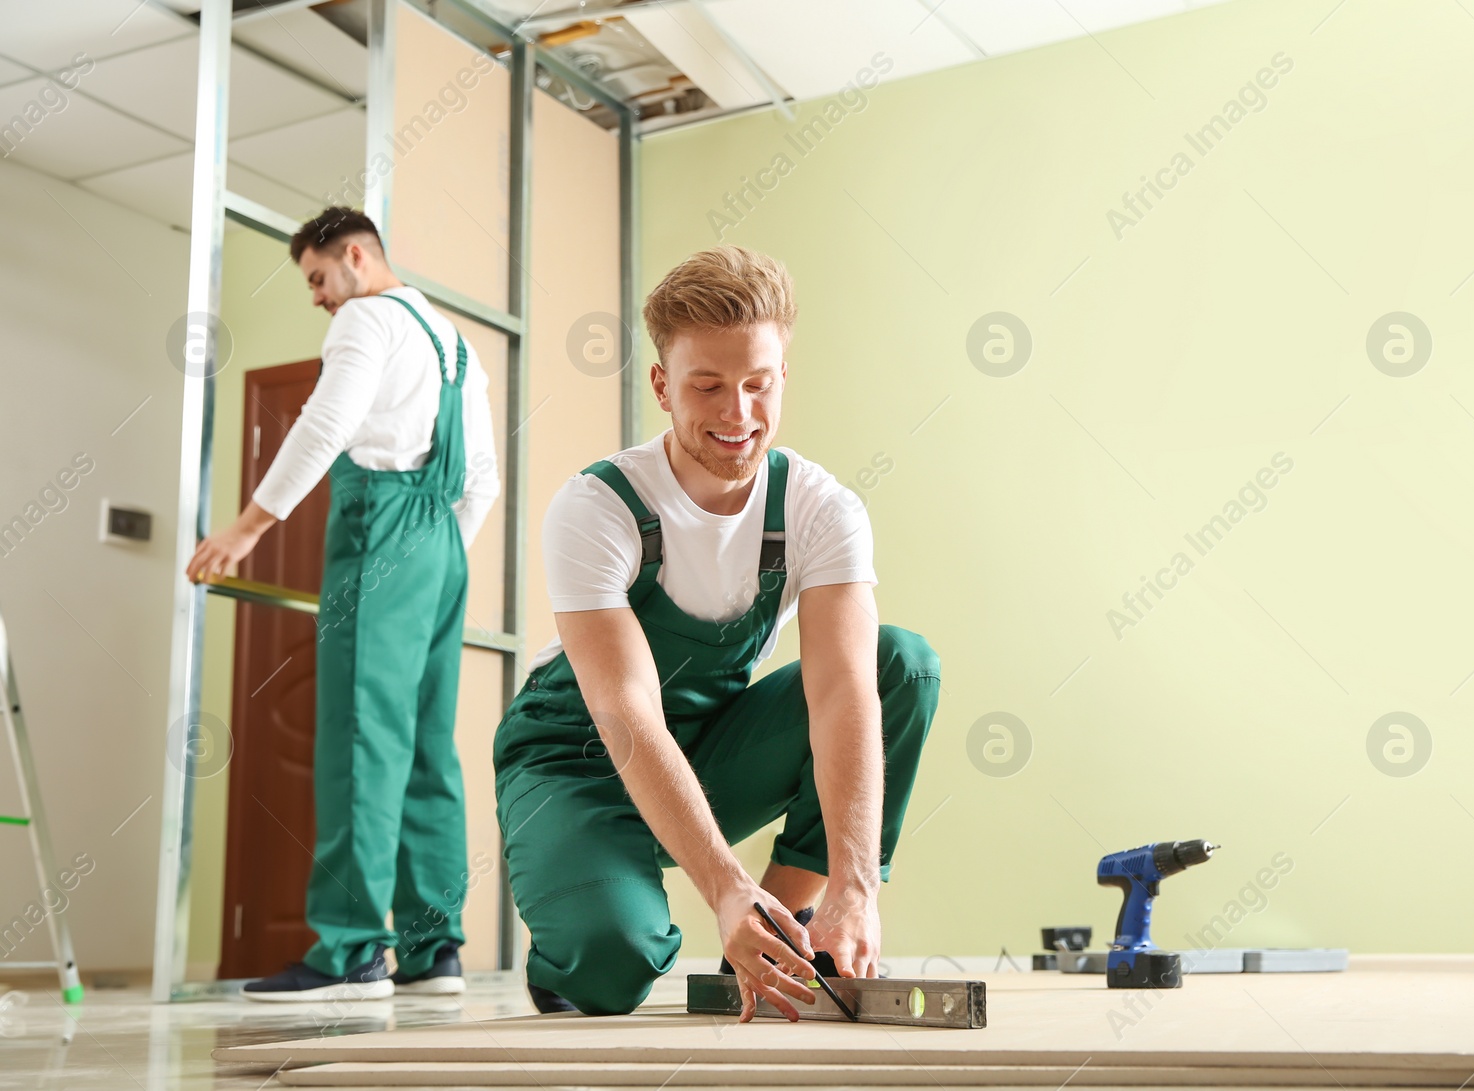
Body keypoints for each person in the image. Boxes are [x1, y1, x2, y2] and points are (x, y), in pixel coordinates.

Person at [493, 245, 940, 1020]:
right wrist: (723, 886)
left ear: (781, 379)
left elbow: (844, 691)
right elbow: (626, 713)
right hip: (579, 760)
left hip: (703, 749)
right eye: (707, 385)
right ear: (663, 386)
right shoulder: (597, 508)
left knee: (901, 662)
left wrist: (854, 884)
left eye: (758, 385)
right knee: (611, 965)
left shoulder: (820, 509)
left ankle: (788, 926)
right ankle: (579, 936)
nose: (738, 414)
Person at [186, 207, 501, 1001]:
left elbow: (328, 421)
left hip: (382, 529)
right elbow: (483, 480)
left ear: (354, 258)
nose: (320, 299)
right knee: (429, 745)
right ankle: (435, 951)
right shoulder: (459, 345)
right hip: (442, 546)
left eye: (318, 278)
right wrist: (438, 557)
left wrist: (251, 523)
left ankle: (353, 948)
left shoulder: (367, 318)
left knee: (361, 734)